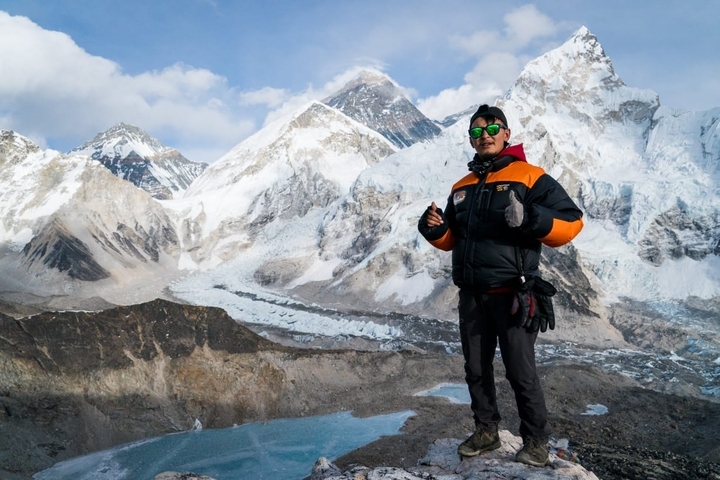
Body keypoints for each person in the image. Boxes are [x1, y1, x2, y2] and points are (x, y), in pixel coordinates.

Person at [417, 104, 584, 467]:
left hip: (514, 295)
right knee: (475, 369)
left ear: (507, 133)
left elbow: (571, 223)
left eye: (492, 129)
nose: (485, 136)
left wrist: (532, 218)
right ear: (470, 139)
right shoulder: (462, 187)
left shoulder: (530, 176)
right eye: (477, 132)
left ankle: (537, 442)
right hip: (473, 296)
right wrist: (434, 229)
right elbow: (453, 240)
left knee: (520, 372)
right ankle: (486, 431)